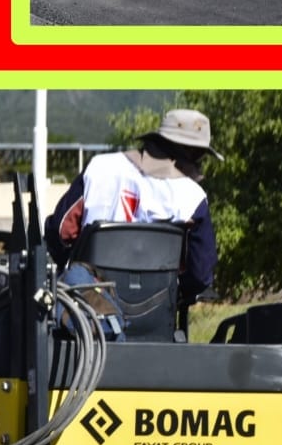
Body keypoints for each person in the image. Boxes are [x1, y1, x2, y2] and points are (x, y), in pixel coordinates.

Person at [45, 108, 221, 307]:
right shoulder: (193, 197)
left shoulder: (99, 169)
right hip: (157, 315)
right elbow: (200, 274)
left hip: (91, 310)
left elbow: (59, 233)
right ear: (193, 153)